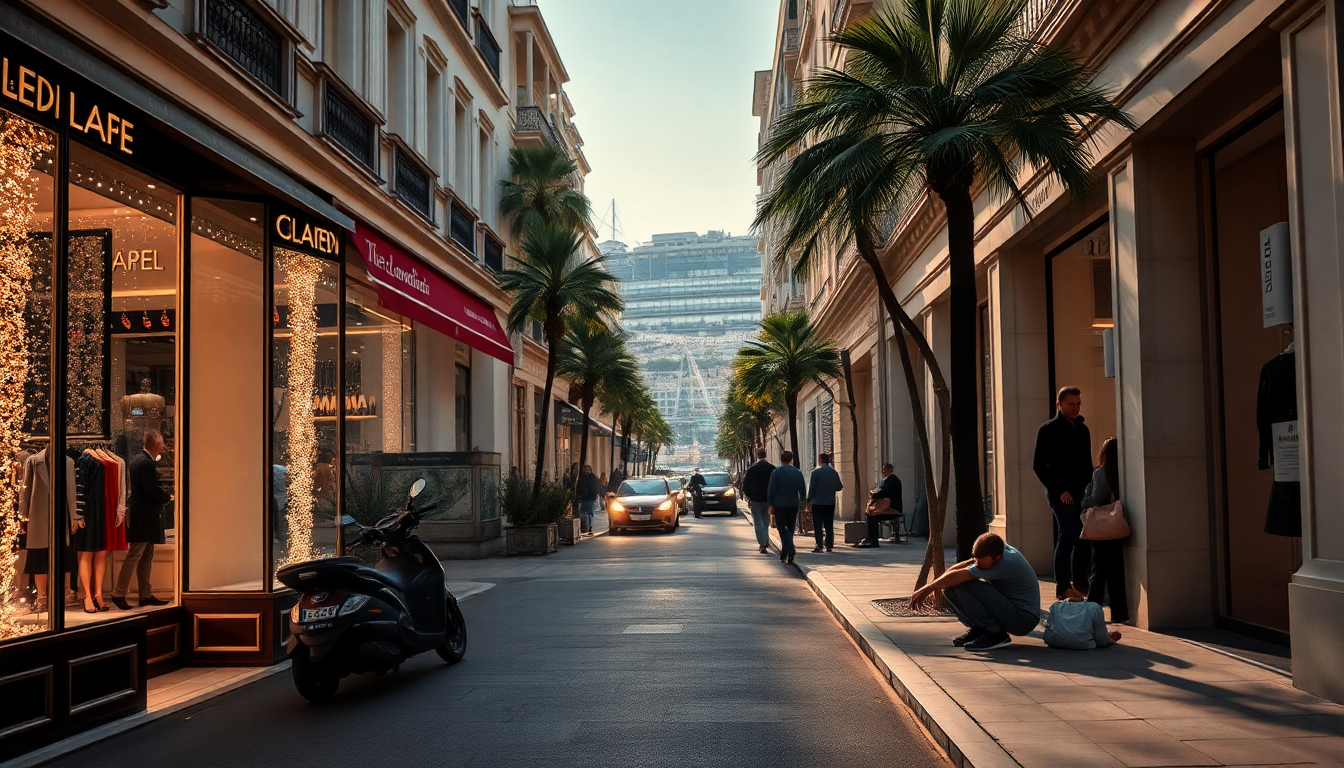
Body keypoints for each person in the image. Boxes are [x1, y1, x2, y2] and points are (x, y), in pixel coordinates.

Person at [910, 532, 1040, 651]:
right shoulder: (995, 550)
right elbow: (960, 568)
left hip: (1023, 618)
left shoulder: (1007, 562)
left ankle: (995, 634)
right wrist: (933, 585)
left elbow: (961, 575)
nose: (977, 565)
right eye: (976, 561)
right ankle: (981, 628)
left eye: (980, 564)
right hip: (1011, 609)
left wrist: (928, 588)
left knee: (959, 585)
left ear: (997, 558)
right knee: (950, 587)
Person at [1032, 386, 1094, 599]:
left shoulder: (1082, 429)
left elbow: (1087, 463)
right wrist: (1059, 490)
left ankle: (1080, 583)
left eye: (1078, 403)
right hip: (1062, 494)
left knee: (1084, 537)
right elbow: (1039, 465)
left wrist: (1091, 490)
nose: (1076, 407)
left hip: (1083, 493)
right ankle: (1062, 587)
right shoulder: (1048, 430)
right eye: (1071, 404)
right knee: (1067, 535)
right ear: (1059, 404)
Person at [112, 431, 172, 610]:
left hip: (143, 516)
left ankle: (145, 595)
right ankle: (119, 593)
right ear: (154, 444)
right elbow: (150, 490)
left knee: (146, 556)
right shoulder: (145, 463)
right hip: (143, 517)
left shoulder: (139, 459)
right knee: (136, 555)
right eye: (160, 443)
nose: (162, 446)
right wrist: (167, 497)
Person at [1081, 436, 1129, 623]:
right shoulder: (1125, 471)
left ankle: (1093, 610)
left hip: (1102, 527)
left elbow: (1096, 497)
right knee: (1116, 572)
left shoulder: (1101, 472)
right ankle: (1120, 613)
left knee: (1098, 571)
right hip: (1118, 525)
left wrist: (1083, 501)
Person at [766, 451, 807, 564]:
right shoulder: (797, 472)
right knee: (791, 526)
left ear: (781, 459)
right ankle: (785, 552)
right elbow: (802, 488)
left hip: (779, 504)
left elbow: (771, 489)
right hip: (793, 504)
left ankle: (790, 548)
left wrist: (770, 502)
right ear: (791, 459)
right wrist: (803, 499)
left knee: (781, 527)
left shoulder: (776, 472)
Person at [1044, 597, 1123, 649]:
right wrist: (1110, 638)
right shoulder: (1094, 608)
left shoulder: (1055, 606)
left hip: (1054, 642)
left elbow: (1048, 633)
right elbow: (1102, 641)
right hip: (1083, 644)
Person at [855, 462, 901, 548]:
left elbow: (883, 492)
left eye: (885, 469)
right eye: (883, 469)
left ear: (890, 470)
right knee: (871, 514)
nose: (883, 471)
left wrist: (873, 494)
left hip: (892, 508)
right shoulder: (889, 480)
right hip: (890, 506)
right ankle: (871, 538)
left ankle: (872, 539)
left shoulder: (892, 480)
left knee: (872, 516)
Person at [741, 449, 776, 553]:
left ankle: (762, 543)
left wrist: (749, 496)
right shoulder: (772, 469)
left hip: (755, 499)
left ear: (757, 456)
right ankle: (765, 540)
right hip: (767, 499)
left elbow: (745, 485)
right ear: (766, 455)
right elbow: (775, 484)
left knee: (757, 521)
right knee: (766, 521)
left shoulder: (752, 469)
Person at [807, 453, 843, 553]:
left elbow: (812, 489)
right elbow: (839, 487)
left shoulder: (815, 472)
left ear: (820, 460)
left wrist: (809, 500)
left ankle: (819, 545)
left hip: (817, 502)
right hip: (830, 502)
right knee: (829, 523)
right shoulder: (834, 472)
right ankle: (829, 544)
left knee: (818, 524)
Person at [575, 464, 603, 534]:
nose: (587, 471)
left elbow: (597, 486)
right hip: (584, 498)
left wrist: (596, 494)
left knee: (589, 512)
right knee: (584, 512)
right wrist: (579, 496)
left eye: (588, 470)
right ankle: (585, 526)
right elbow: (579, 487)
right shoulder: (582, 478)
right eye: (586, 470)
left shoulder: (593, 477)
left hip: (591, 498)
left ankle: (588, 526)